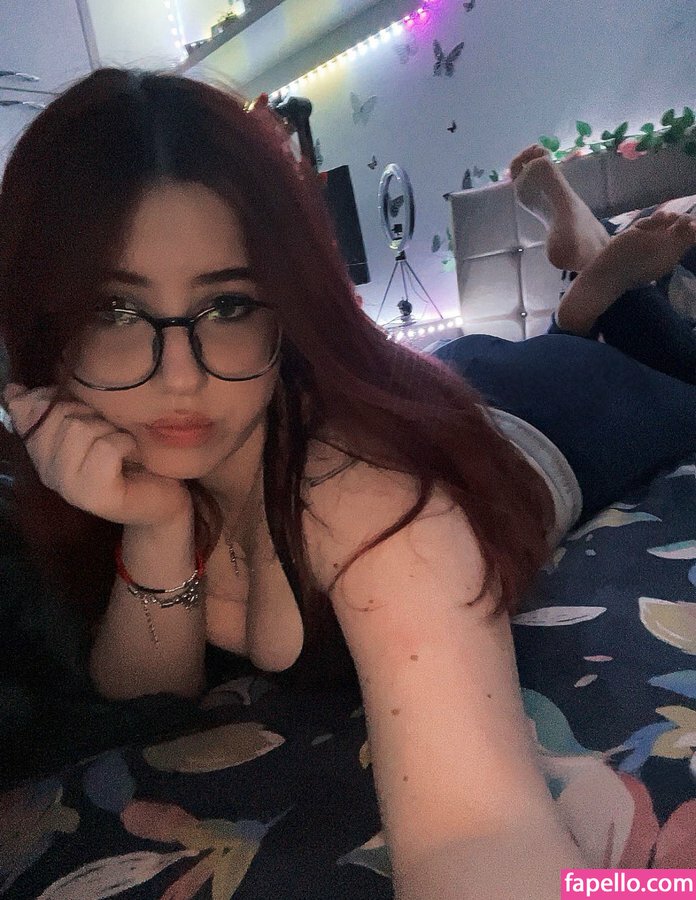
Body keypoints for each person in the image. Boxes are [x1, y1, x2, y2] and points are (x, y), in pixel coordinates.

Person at [0, 68, 694, 899]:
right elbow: (146, 702)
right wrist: (157, 525)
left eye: (228, 305)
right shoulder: (140, 460)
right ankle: (583, 284)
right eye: (115, 310)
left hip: (548, 418)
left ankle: (595, 285)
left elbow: (480, 832)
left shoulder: (363, 495)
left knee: (678, 374)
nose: (180, 377)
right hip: (438, 387)